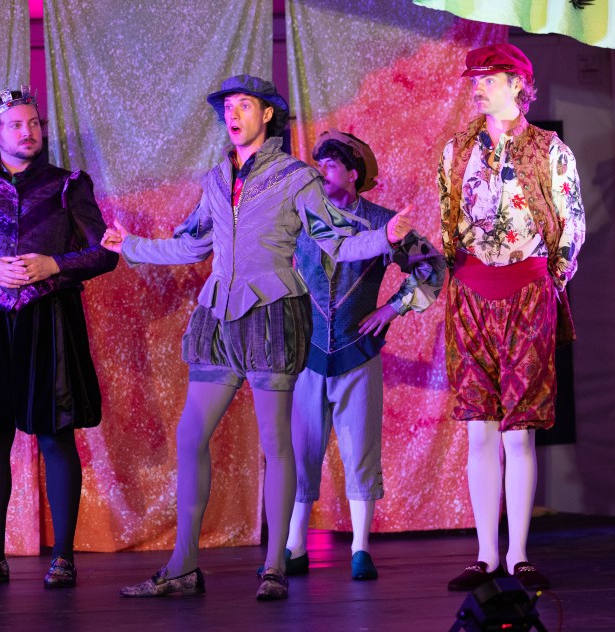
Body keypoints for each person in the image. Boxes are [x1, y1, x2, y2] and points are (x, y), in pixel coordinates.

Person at [101, 75, 412, 601]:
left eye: (244, 105)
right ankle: (182, 566)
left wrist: (383, 236)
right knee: (190, 436)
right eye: (228, 106)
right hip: (219, 319)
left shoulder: (296, 177)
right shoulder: (216, 178)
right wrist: (131, 246)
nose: (233, 114)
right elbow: (193, 246)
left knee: (276, 443)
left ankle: (275, 566)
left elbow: (336, 242)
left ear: (267, 114)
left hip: (271, 317)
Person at [0, 86, 118, 588]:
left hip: (49, 319)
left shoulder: (68, 185)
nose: (28, 131)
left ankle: (64, 559)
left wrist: (55, 264)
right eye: (16, 125)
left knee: (56, 435)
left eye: (34, 123)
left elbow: (104, 252)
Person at [437, 44, 586, 592]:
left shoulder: (549, 149)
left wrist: (548, 284)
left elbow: (571, 225)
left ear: (518, 83)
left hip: (527, 291)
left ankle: (518, 552)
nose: (478, 87)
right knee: (479, 431)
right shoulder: (456, 149)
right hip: (471, 293)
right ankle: (485, 554)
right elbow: (448, 223)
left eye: (489, 78)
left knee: (519, 433)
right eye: (474, 78)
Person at [282, 130, 445, 581]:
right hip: (307, 352)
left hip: (357, 352)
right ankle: (294, 546)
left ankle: (359, 549)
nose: (321, 172)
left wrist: (392, 308)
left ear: (353, 174)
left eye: (331, 165)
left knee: (360, 450)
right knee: (301, 449)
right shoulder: (301, 216)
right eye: (319, 164)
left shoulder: (383, 222)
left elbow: (432, 266)